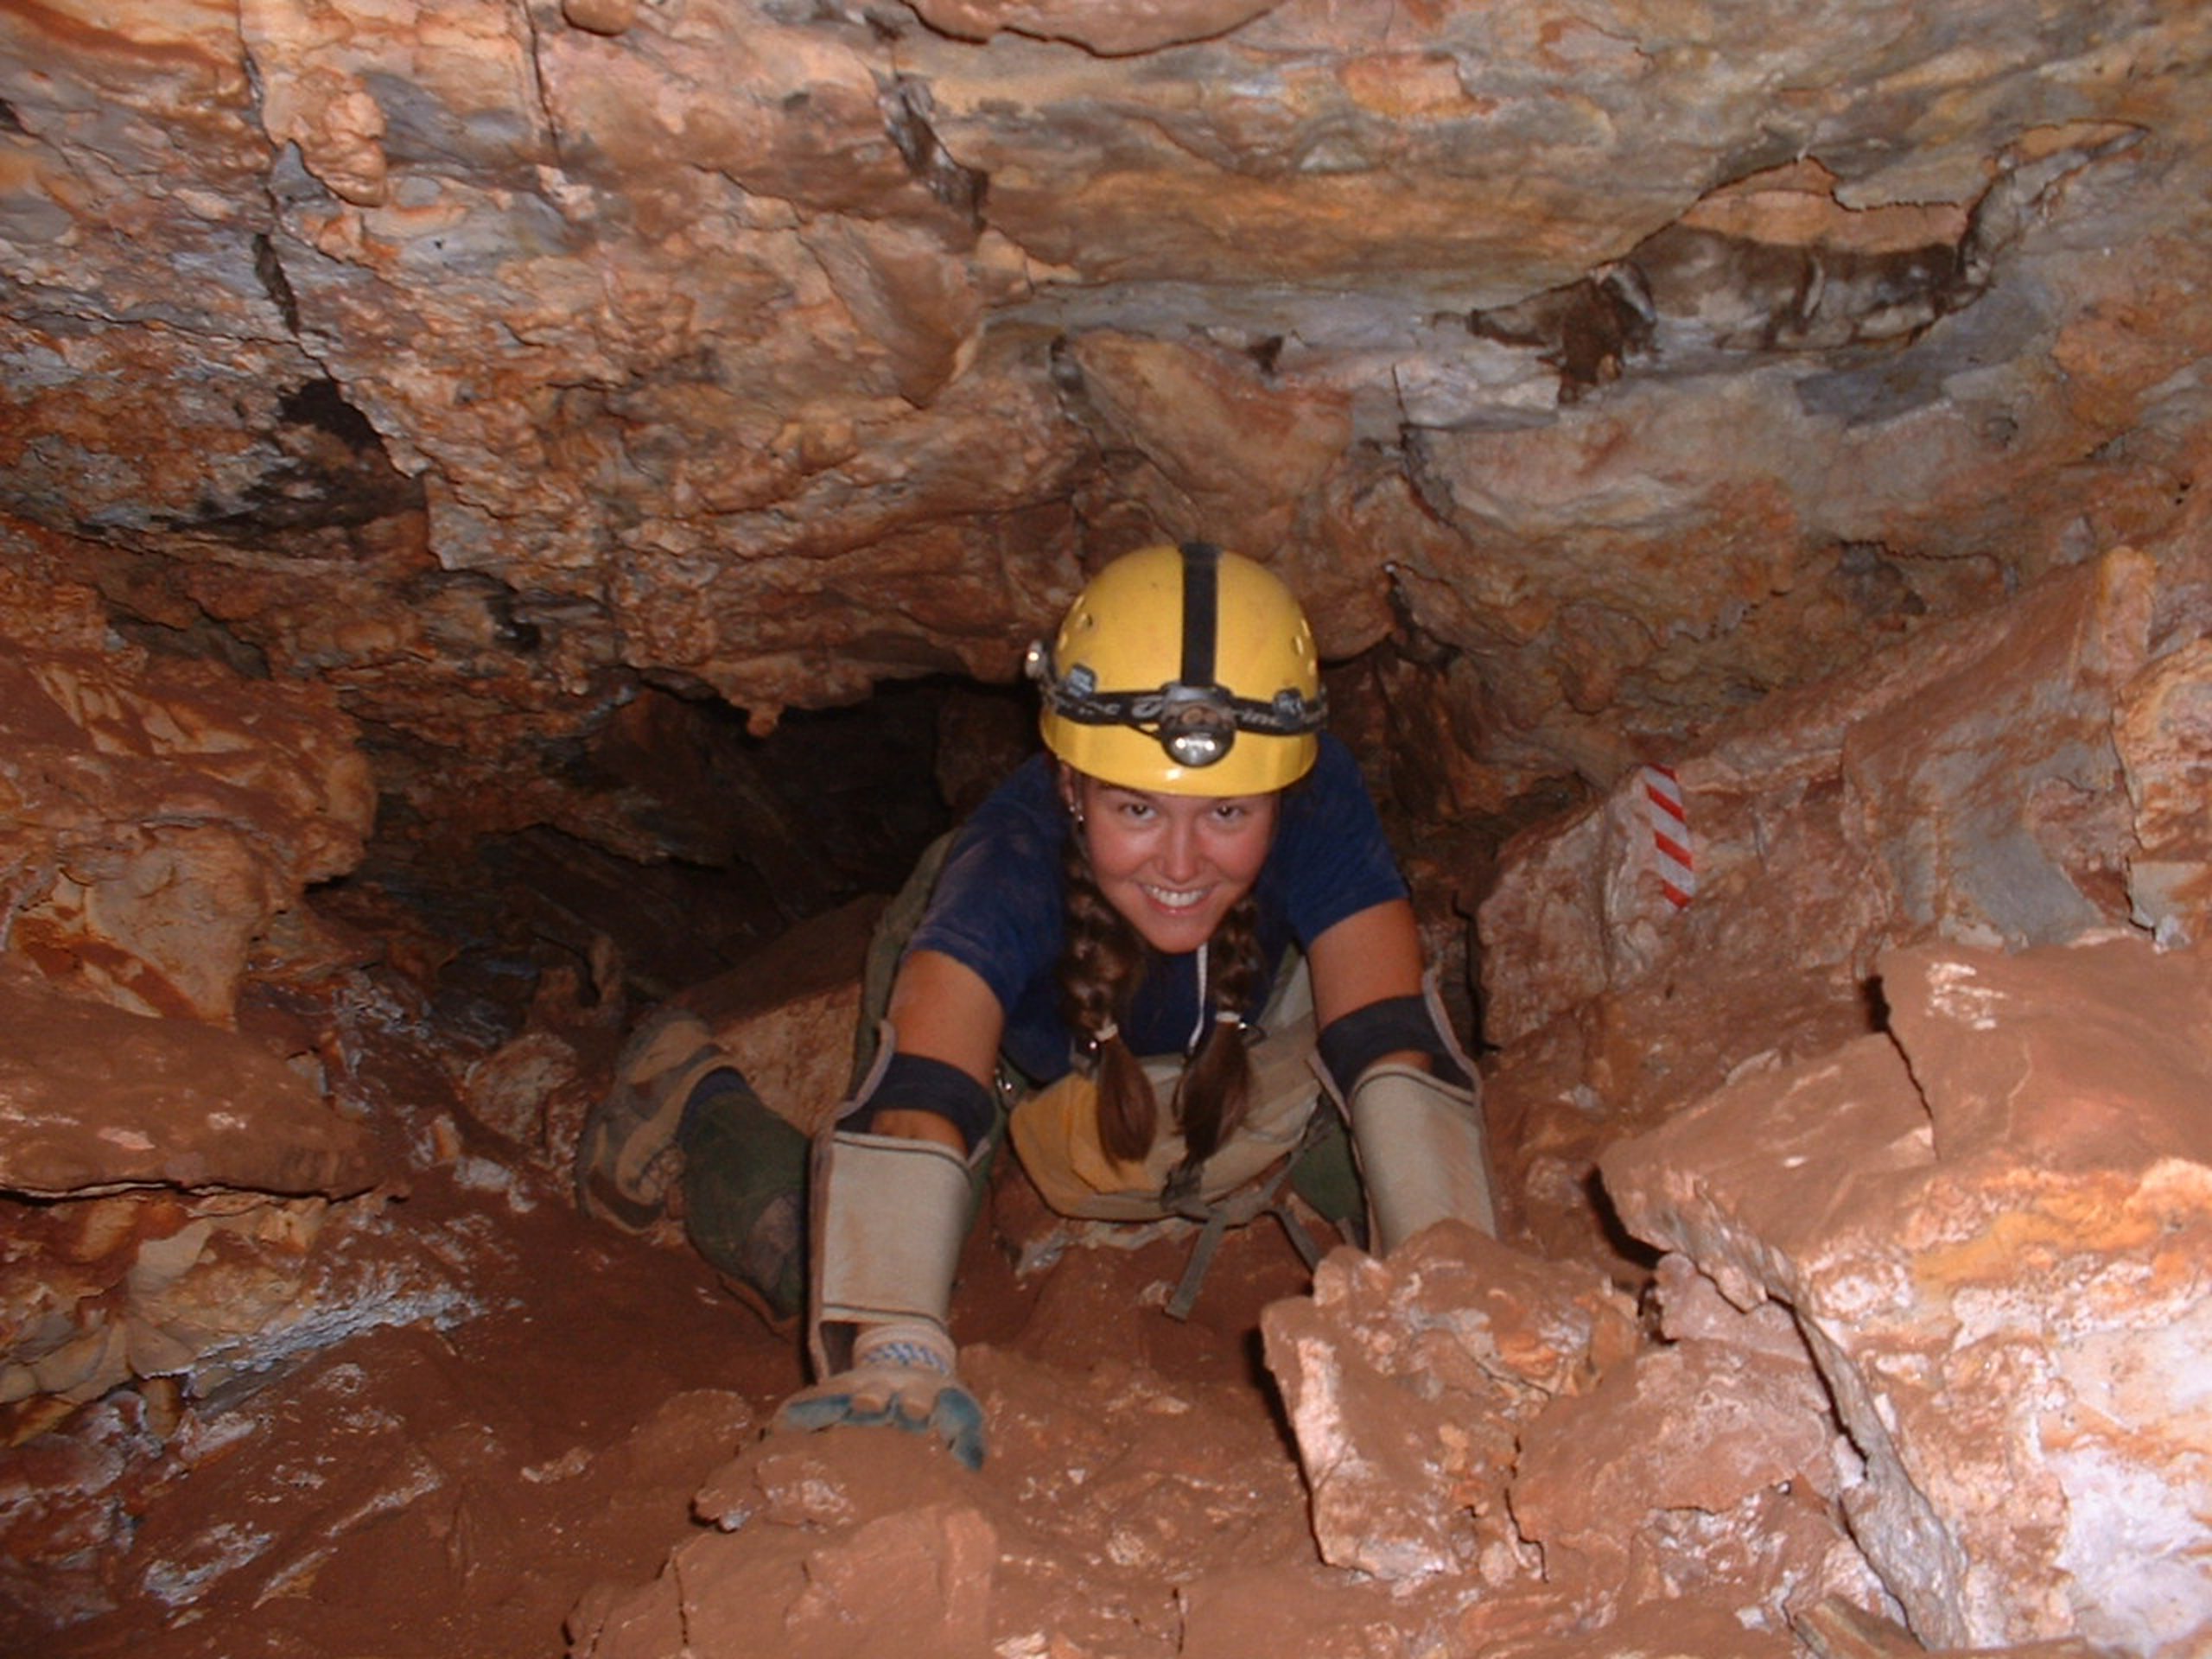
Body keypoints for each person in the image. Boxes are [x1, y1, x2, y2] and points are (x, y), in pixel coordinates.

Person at [575, 542, 1496, 1471]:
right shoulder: (1005, 864)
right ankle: (691, 1100)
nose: (1181, 866)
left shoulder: (1316, 795)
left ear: (1283, 791)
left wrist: (1452, 1293)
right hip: (1030, 1056)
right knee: (818, 1261)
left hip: (1228, 1032)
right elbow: (922, 1091)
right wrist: (893, 1343)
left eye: (1226, 814)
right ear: (1069, 782)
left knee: (1395, 1191)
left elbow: (1391, 1040)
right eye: (1135, 810)